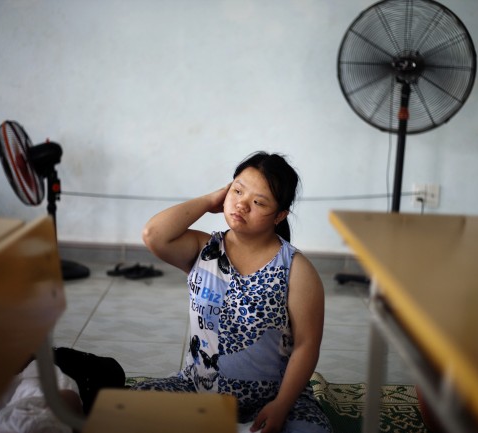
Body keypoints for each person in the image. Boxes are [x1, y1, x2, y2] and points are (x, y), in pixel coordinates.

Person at [132, 151, 332, 433]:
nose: (242, 205)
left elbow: (306, 345)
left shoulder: (297, 270)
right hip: (199, 392)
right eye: (237, 190)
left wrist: (282, 405)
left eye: (258, 202)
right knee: (132, 409)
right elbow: (153, 234)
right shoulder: (204, 249)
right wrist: (209, 201)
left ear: (280, 215)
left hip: (276, 400)